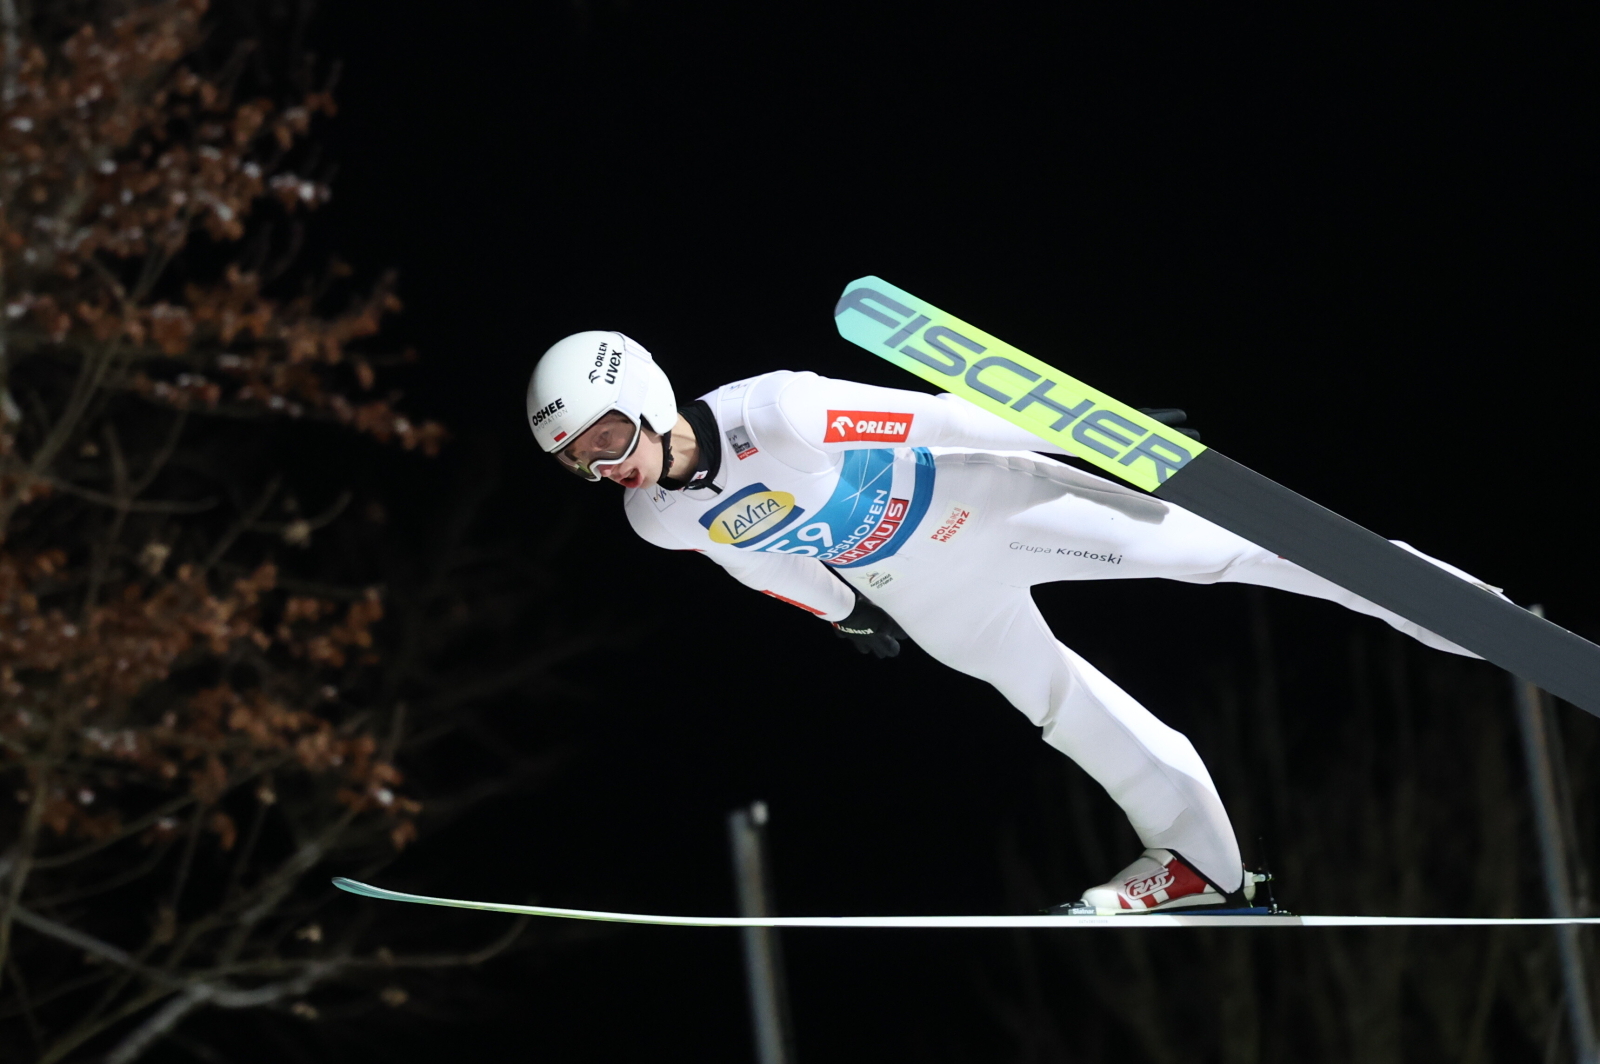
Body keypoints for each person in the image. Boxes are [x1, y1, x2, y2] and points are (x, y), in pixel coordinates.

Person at [526, 330, 1495, 914]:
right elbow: (756, 560)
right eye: (578, 459)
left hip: (984, 506)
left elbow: (944, 419)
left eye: (604, 438)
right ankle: (1201, 862)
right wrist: (838, 613)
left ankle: (1448, 608)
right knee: (1062, 705)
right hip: (922, 590)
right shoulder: (653, 516)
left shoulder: (777, 410)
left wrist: (1095, 430)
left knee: (1219, 550)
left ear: (642, 397)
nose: (603, 465)